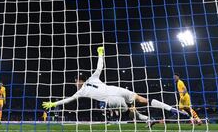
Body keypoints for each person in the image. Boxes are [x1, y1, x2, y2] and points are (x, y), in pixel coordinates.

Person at [43, 47, 188, 127]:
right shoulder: (92, 78)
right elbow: (99, 67)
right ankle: (169, 110)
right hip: (116, 90)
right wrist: (100, 53)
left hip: (112, 98)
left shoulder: (81, 91)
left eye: (77, 80)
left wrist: (53, 103)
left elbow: (68, 100)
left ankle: (154, 117)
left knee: (131, 111)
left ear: (78, 81)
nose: (77, 82)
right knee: (141, 101)